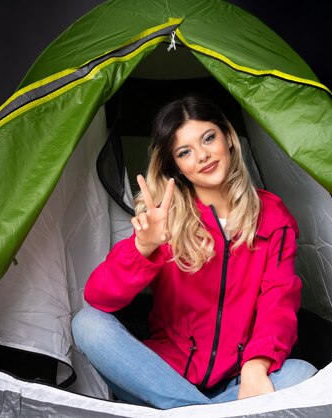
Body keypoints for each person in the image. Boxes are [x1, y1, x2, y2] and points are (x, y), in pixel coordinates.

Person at [71, 94, 317, 409]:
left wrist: (256, 365)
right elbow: (100, 297)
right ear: (177, 166)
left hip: (236, 381)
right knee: (87, 323)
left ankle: (184, 411)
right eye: (185, 152)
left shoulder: (273, 216)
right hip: (161, 375)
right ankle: (207, 412)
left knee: (303, 374)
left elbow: (278, 303)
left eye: (208, 138)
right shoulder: (166, 216)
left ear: (228, 137)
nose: (202, 156)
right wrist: (142, 247)